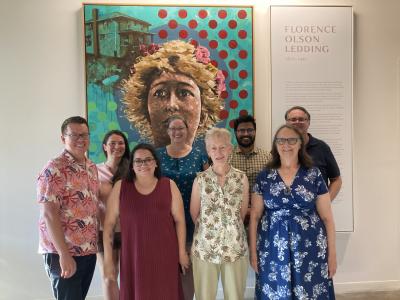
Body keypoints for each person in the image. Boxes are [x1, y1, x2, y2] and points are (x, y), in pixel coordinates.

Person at [249, 124, 337, 299]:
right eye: (281, 140)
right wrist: (253, 252)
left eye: (291, 140)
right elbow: (255, 217)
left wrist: (332, 255)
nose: (286, 145)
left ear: (300, 144)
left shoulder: (314, 174)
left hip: (310, 248)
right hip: (272, 248)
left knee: (310, 292)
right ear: (275, 145)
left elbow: (327, 218)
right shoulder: (264, 176)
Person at [103, 143, 189, 300]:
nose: (143, 164)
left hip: (165, 256)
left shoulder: (169, 185)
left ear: (156, 163)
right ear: (132, 165)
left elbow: (180, 221)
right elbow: (108, 226)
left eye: (148, 159)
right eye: (138, 161)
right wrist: (108, 260)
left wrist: (181, 252)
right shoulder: (120, 187)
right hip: (133, 257)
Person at [37, 116, 98, 300]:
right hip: (62, 252)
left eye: (85, 135)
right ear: (63, 138)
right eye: (75, 135)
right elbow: (49, 214)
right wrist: (64, 254)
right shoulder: (54, 169)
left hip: (87, 250)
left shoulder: (91, 167)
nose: (81, 139)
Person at [123, 39, 226, 148]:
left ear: (204, 108)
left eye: (184, 93)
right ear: (144, 108)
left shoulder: (209, 163)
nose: (172, 105)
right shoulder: (138, 161)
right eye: (160, 93)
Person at [190, 128, 249, 300]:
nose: (218, 152)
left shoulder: (241, 178)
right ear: (208, 151)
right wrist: (211, 232)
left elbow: (242, 212)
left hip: (235, 248)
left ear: (230, 149)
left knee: (235, 296)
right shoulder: (200, 179)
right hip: (204, 248)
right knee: (204, 296)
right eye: (213, 148)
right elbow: (195, 213)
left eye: (222, 147)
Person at [156, 115, 209, 300]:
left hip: (191, 220)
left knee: (188, 270)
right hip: (163, 221)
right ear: (168, 131)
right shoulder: (157, 155)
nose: (177, 132)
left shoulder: (199, 154)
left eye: (181, 128)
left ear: (188, 130)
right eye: (173, 129)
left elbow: (209, 185)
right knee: (164, 270)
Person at [96, 130, 130, 300]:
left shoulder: (132, 171)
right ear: (105, 147)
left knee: (128, 279)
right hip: (104, 234)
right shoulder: (95, 171)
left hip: (128, 233)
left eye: (121, 143)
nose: (117, 146)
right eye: (112, 143)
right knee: (109, 278)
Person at [285, 106, 342, 201]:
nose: (297, 122)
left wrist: (326, 202)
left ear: (308, 122)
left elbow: (336, 180)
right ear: (286, 123)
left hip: (316, 212)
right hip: (288, 211)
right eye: (293, 119)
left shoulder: (322, 148)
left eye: (301, 119)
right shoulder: (280, 148)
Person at [230, 114, 270, 222]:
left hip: (262, 217)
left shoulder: (268, 158)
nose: (246, 134)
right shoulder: (226, 158)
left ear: (255, 131)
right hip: (233, 218)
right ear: (235, 132)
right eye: (241, 130)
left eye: (250, 130)